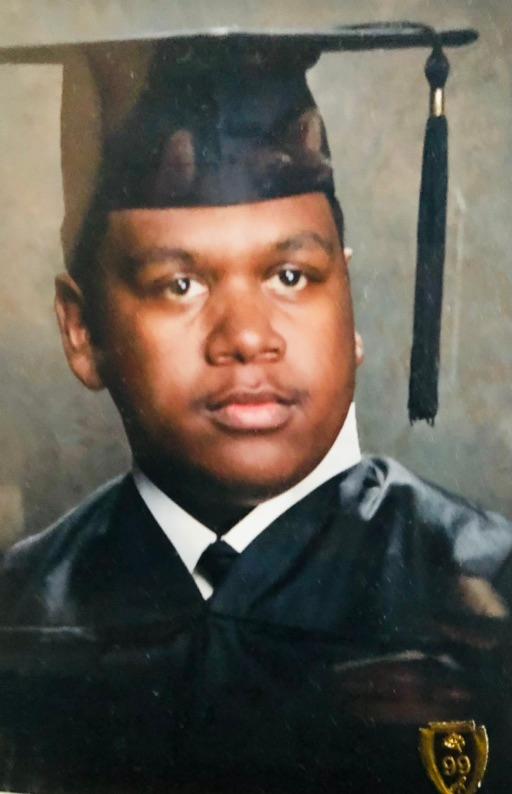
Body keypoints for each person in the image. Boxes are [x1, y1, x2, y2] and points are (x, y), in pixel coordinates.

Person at [0, 21, 511, 794]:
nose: (246, 337)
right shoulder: (23, 605)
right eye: (179, 285)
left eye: (292, 277)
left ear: (349, 304)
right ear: (83, 333)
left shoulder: (485, 587)